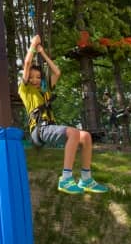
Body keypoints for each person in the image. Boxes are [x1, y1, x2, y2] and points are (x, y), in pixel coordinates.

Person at [19, 34, 108, 195]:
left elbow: (57, 72)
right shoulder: (25, 90)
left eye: (38, 77)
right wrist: (32, 46)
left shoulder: (45, 91)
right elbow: (27, 64)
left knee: (86, 136)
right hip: (39, 130)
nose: (34, 80)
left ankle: (86, 179)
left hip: (50, 127)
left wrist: (42, 52)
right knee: (73, 133)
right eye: (31, 77)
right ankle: (66, 179)